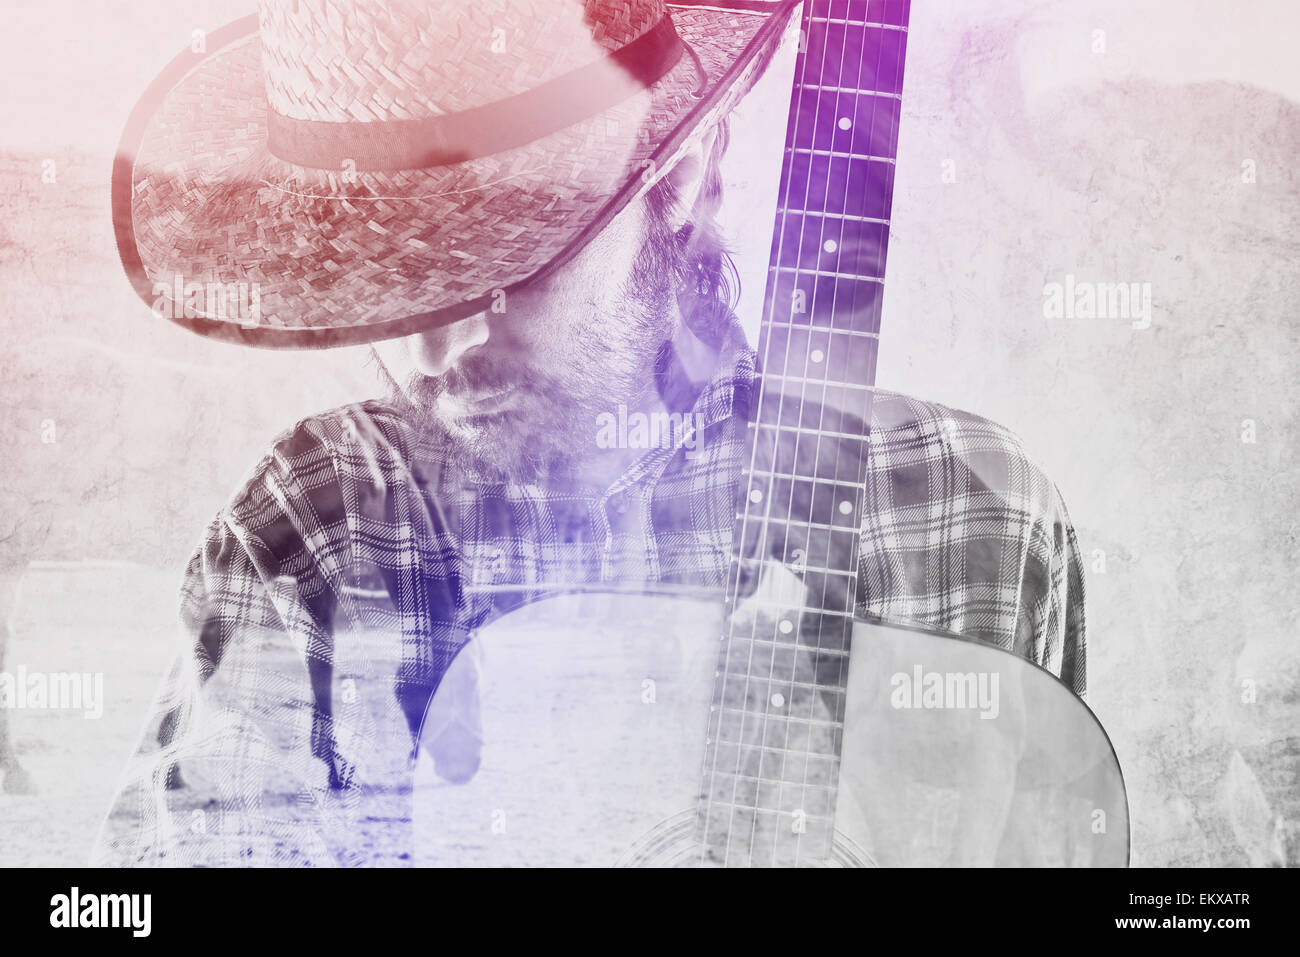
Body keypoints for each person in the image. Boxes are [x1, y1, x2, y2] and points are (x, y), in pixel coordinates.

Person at [94, 0, 1085, 866]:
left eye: (510, 256)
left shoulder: (976, 519)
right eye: (399, 275)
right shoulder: (325, 529)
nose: (433, 350)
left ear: (688, 176)